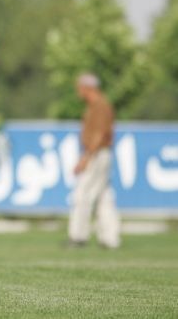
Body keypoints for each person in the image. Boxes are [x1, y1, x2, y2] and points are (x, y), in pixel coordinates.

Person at [68, 73, 120, 248]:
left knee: (82, 193)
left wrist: (86, 157)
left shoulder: (100, 105)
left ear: (87, 87)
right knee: (104, 197)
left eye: (79, 87)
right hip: (99, 153)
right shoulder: (96, 105)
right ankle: (110, 238)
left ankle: (78, 236)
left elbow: (99, 134)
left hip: (97, 154)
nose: (78, 91)